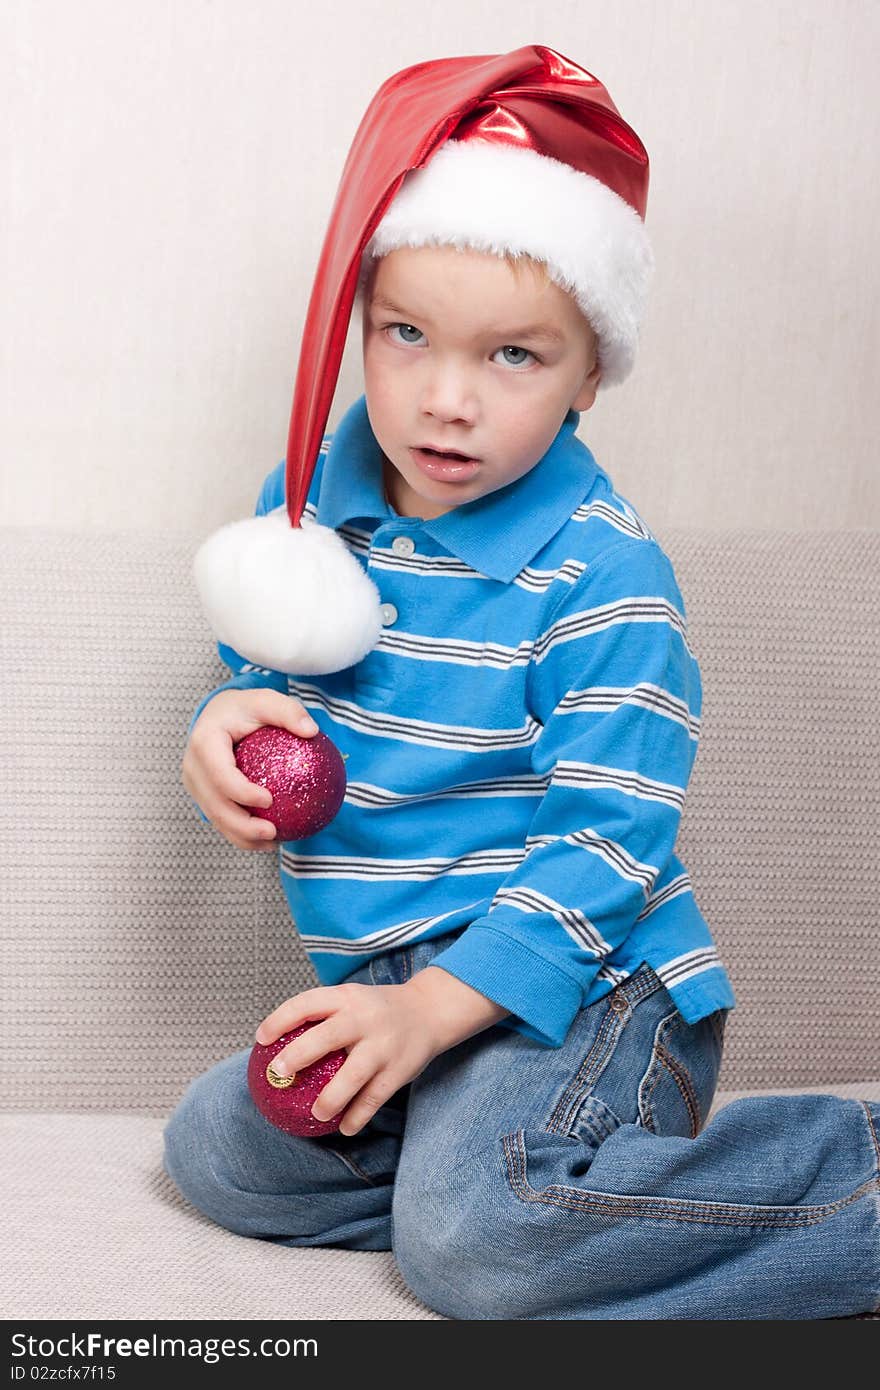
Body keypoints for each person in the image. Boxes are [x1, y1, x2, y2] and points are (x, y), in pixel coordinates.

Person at [163, 46, 880, 1319]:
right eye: (405, 335)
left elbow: (607, 845)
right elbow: (264, 678)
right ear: (357, 323)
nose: (445, 401)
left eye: (512, 358)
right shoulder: (307, 515)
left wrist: (443, 1013)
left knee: (474, 1251)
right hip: (391, 978)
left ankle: (834, 1176)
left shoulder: (604, 578)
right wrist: (223, 725)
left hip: (586, 980)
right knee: (223, 1151)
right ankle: (515, 1171)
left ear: (589, 372)